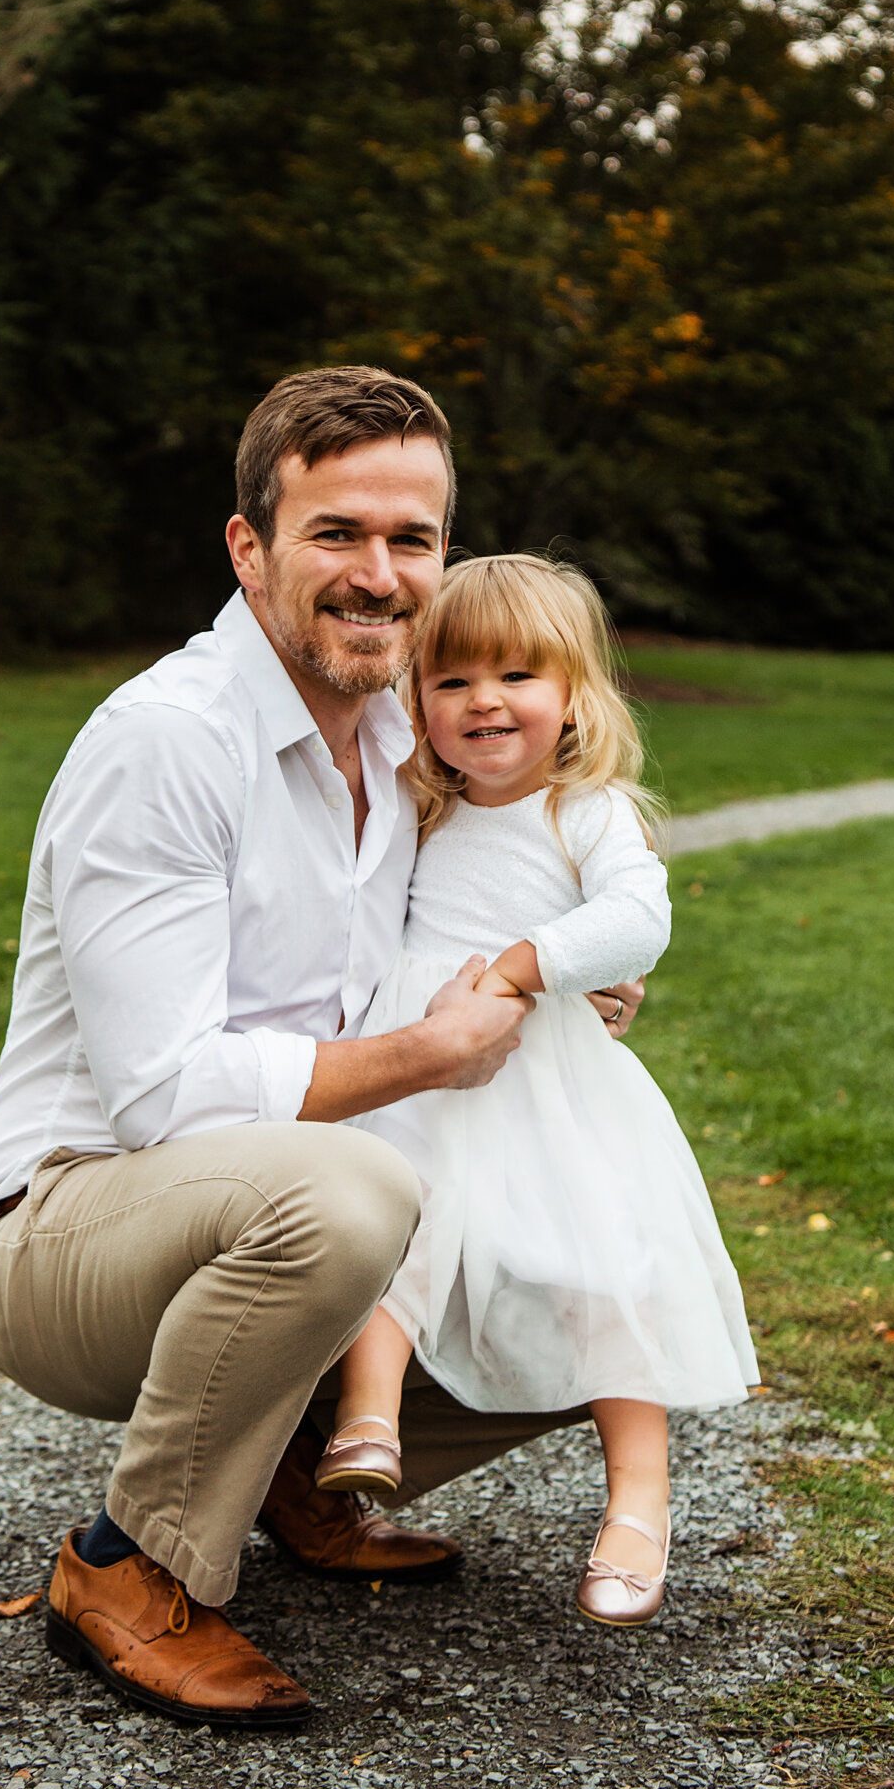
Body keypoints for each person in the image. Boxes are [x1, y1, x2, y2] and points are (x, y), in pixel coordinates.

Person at [0, 368, 643, 1728]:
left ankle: (287, 1469)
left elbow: (518, 902)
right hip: (73, 1231)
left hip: (280, 1213)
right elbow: (165, 1096)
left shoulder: (409, 729)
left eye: (411, 540)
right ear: (248, 546)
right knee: (358, 1191)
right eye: (335, 533)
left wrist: (565, 991)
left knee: (602, 1257)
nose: (377, 575)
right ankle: (129, 1568)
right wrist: (425, 1054)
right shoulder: (168, 743)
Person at [315, 555, 758, 1627]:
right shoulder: (417, 806)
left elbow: (635, 919)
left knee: (598, 1267)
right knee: (396, 1225)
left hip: (546, 1084)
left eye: (517, 674)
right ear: (416, 699)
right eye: (453, 679)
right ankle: (365, 1421)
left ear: (573, 695)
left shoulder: (586, 811)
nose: (484, 701)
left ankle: (637, 1505)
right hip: (420, 1066)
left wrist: (528, 965)